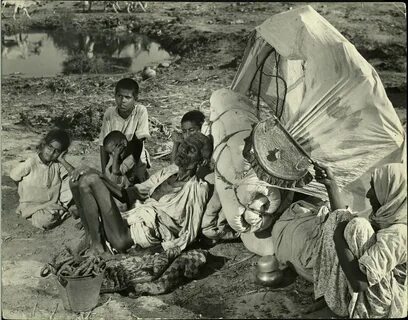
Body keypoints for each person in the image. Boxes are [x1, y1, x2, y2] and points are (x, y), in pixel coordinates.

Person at [271, 162, 407, 318]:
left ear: (390, 192)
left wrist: (338, 239)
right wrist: (331, 184)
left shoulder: (400, 233)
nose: (368, 194)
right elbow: (340, 218)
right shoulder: (386, 217)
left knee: (358, 226)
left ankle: (338, 307)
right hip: (367, 288)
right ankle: (331, 298)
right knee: (343, 218)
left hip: (382, 307)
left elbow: (360, 283)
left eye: (375, 188)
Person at [69, 132, 213, 256]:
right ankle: (92, 238)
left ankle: (98, 247)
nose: (183, 150)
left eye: (191, 149)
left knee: (91, 179)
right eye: (184, 145)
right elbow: (131, 193)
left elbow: (190, 233)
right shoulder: (168, 172)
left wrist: (154, 250)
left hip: (135, 235)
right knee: (76, 182)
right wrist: (100, 176)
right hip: (130, 219)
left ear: (201, 161)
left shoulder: (198, 188)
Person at [171, 110, 239, 243]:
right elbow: (176, 164)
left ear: (202, 127)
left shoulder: (206, 143)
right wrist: (176, 144)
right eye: (184, 131)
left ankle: (227, 231)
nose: (187, 135)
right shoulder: (189, 145)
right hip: (200, 184)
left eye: (192, 130)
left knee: (207, 224)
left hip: (213, 185)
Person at [9, 129, 73, 230]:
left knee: (72, 181)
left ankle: (60, 209)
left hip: (53, 203)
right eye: (50, 147)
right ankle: (61, 213)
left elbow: (75, 175)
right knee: (45, 220)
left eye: (57, 151)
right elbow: (14, 176)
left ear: (62, 153)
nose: (51, 152)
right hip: (33, 206)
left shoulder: (57, 165)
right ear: (43, 145)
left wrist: (62, 160)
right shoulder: (31, 162)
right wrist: (23, 191)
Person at [99, 77, 150, 184]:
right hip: (115, 155)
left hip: (135, 157)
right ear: (115, 96)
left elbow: (138, 142)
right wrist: (104, 171)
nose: (122, 101)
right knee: (110, 182)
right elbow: (103, 144)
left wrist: (132, 170)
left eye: (127, 97)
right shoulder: (109, 113)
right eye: (119, 96)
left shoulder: (140, 111)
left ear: (135, 98)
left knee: (139, 186)